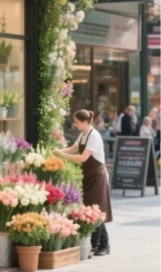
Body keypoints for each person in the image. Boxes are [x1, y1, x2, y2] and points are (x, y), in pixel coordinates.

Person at [54, 110, 112, 256]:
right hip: (89, 175)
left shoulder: (94, 136)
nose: (75, 124)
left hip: (98, 176)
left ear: (85, 122)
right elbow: (73, 148)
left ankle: (98, 245)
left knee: (96, 210)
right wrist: (57, 151)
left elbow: (83, 158)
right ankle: (104, 245)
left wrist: (62, 155)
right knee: (92, 209)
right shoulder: (83, 134)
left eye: (77, 122)